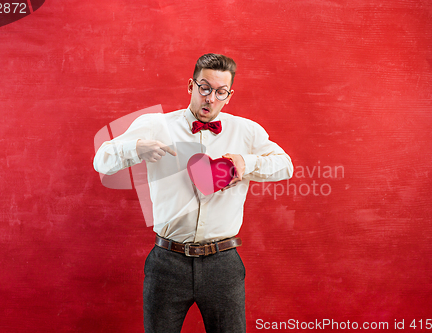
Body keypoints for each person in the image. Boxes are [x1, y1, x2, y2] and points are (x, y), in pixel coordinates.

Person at [93, 53, 293, 333]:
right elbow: (101, 160)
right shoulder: (156, 125)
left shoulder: (246, 131)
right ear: (191, 86)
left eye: (220, 92)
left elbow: (286, 166)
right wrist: (136, 148)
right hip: (167, 263)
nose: (210, 98)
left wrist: (246, 164)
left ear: (229, 95)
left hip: (223, 263)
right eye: (205, 88)